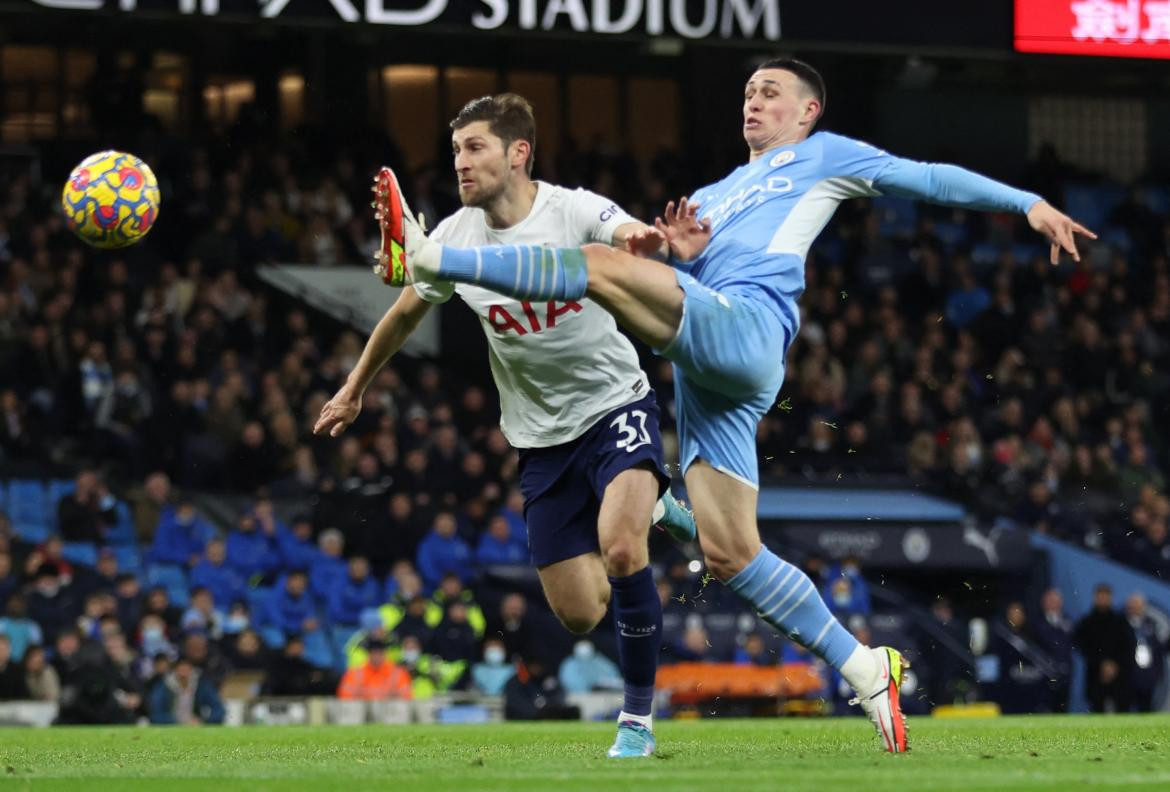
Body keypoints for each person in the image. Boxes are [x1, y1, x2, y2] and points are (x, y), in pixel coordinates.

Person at [377, 60, 1094, 753]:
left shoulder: (823, 156)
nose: (754, 102)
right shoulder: (714, 193)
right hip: (702, 371)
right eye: (749, 91)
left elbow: (928, 178)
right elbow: (665, 280)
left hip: (745, 330)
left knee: (594, 268)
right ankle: (866, 667)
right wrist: (679, 252)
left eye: (771, 93)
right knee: (728, 553)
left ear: (808, 112)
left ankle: (433, 257)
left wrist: (1023, 202)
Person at [315, 93, 695, 758]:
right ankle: (656, 502)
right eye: (456, 150)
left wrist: (649, 240)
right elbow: (406, 312)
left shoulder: (570, 208)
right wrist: (353, 389)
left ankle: (636, 721)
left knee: (623, 549)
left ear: (519, 153)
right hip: (540, 441)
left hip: (615, 406)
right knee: (579, 612)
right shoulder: (458, 237)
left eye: (475, 148)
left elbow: (627, 234)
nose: (460, 162)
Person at [1073, 584, 1136, 713]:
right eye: (1100, 596)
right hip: (1096, 674)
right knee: (1097, 710)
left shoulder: (1120, 621)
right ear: (1095, 598)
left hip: (1120, 674)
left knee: (1122, 710)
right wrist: (1101, 663)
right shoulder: (1087, 622)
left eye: (1105, 596)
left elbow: (1129, 645)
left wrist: (1115, 664)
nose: (1103, 599)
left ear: (1110, 598)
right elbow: (1082, 646)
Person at [337, 637, 412, 700]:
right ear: (369, 654)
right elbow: (344, 695)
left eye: (379, 653)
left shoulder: (398, 673)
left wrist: (364, 693)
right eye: (374, 653)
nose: (376, 656)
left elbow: (407, 695)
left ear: (384, 654)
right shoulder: (356, 673)